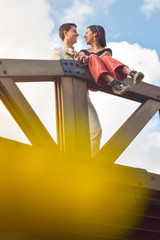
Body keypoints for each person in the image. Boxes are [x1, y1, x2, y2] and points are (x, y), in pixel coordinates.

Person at [51, 23, 102, 157]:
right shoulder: (57, 51)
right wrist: (74, 63)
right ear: (66, 33)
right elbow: (56, 70)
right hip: (66, 96)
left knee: (96, 130)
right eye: (74, 31)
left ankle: (91, 166)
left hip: (84, 95)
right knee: (71, 137)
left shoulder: (82, 53)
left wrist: (85, 64)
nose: (78, 34)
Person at [78, 25, 144, 95]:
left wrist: (90, 58)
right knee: (93, 57)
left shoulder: (107, 51)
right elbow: (81, 56)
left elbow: (103, 59)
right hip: (92, 78)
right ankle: (114, 83)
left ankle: (132, 73)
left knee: (105, 58)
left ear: (95, 34)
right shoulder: (83, 51)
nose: (84, 36)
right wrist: (83, 58)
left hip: (103, 78)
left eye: (87, 33)